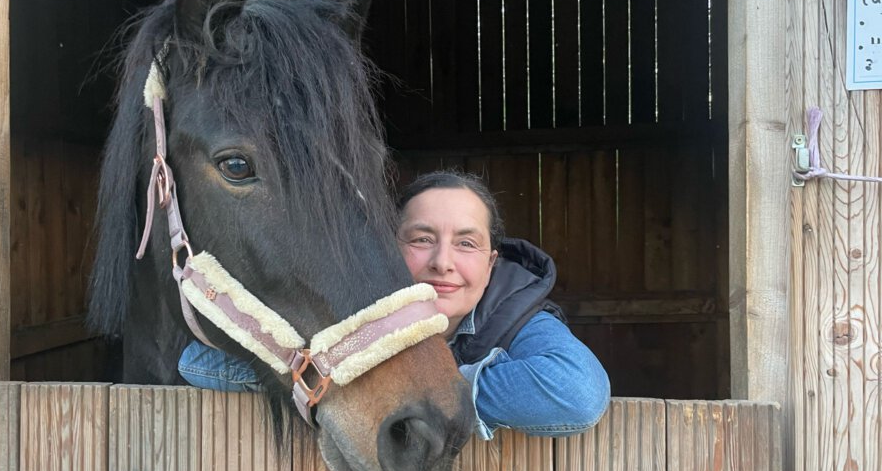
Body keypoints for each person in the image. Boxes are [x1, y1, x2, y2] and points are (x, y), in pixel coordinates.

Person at [178, 171, 610, 440]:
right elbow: (197, 361)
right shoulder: (352, 309)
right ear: (388, 248)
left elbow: (577, 394)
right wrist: (350, 387)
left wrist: (401, 391)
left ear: (491, 261)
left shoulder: (516, 313)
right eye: (422, 239)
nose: (443, 262)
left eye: (466, 243)